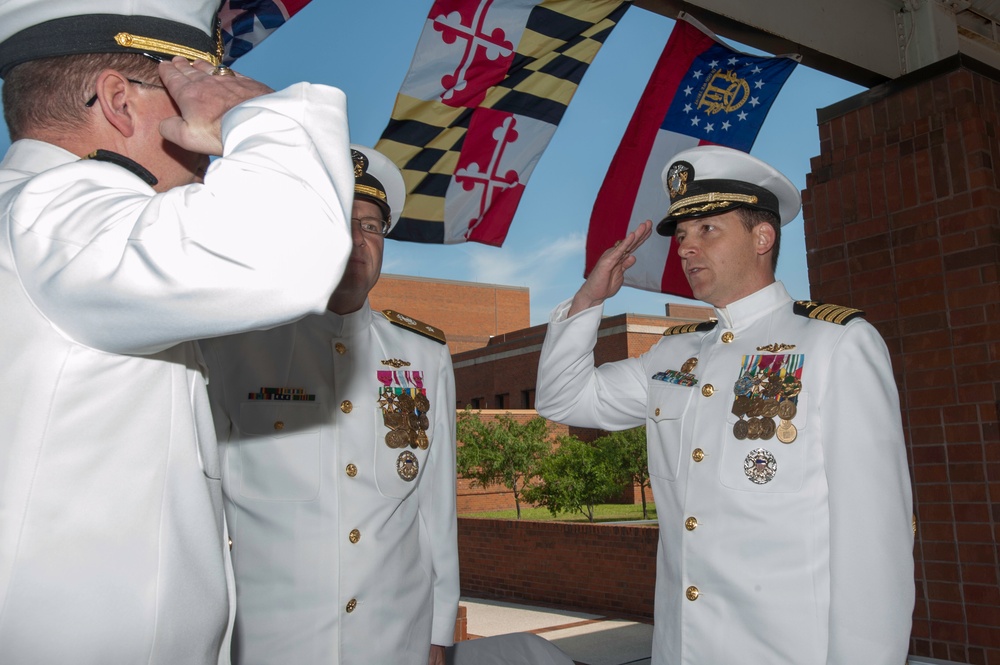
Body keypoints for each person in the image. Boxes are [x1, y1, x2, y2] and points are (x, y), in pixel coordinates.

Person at [0, 1, 356, 663]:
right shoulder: (57, 209)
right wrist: (253, 109)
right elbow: (286, 251)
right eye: (187, 92)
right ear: (118, 101)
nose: (204, 145)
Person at [535, 145, 914, 664]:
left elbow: (875, 541)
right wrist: (588, 301)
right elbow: (563, 396)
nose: (686, 249)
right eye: (682, 236)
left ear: (763, 237)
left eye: (707, 230)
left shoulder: (835, 343)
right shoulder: (674, 353)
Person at [200, 145, 460, 665]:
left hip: (396, 639)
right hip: (275, 642)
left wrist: (441, 625)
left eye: (372, 226)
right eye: (340, 220)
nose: (357, 239)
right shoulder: (233, 347)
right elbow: (205, 506)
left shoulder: (423, 356)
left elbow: (437, 503)